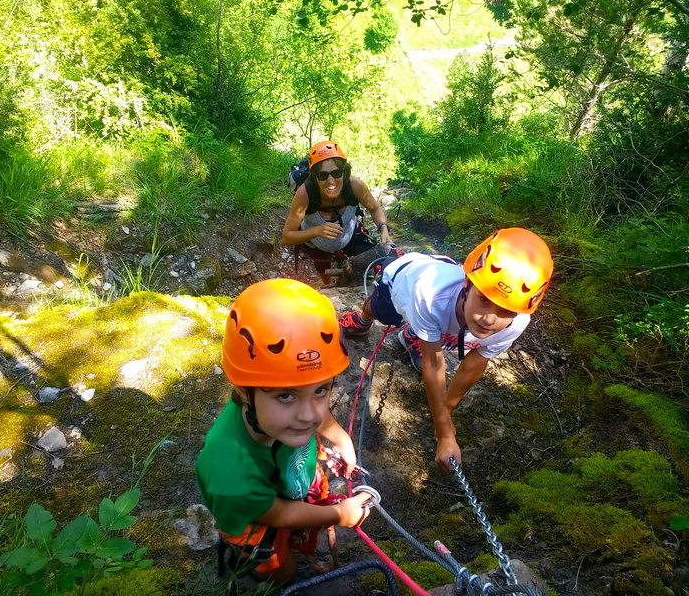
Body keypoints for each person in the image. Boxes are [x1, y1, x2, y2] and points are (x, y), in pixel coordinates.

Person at [195, 278, 372, 586]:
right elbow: (280, 516)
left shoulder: (278, 414)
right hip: (254, 521)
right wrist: (338, 514)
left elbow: (314, 412)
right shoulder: (230, 477)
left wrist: (340, 438)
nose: (309, 415)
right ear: (243, 390)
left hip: (283, 480)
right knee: (281, 568)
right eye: (286, 396)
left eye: (321, 390)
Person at [338, 228, 553, 472]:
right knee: (380, 311)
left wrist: (447, 411)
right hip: (401, 278)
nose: (490, 319)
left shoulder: (518, 321)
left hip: (438, 291)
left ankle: (414, 335)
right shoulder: (429, 298)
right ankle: (362, 319)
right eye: (484, 300)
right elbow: (435, 363)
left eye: (505, 311)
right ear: (467, 283)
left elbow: (476, 362)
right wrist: (443, 432)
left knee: (432, 331)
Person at [282, 140, 392, 284]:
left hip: (350, 234)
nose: (331, 180)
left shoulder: (355, 186)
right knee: (322, 266)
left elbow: (375, 208)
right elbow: (287, 237)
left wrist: (384, 229)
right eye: (323, 175)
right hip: (315, 243)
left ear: (344, 173)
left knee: (372, 265)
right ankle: (328, 284)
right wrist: (316, 231)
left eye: (336, 173)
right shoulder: (305, 194)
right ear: (315, 177)